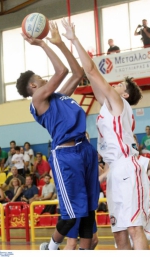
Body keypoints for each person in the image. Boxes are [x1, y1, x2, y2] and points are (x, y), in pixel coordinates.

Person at [62, 19, 150, 250]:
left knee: (133, 228)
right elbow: (91, 77)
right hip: (114, 170)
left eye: (121, 85)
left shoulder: (118, 102)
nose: (117, 85)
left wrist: (74, 39)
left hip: (127, 168)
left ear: (126, 95)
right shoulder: (107, 105)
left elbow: (92, 70)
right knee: (120, 234)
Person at [16, 21, 99, 250]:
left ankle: (83, 251)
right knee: (72, 213)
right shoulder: (38, 100)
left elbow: (77, 72)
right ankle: (51, 248)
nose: (45, 78)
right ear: (34, 85)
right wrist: (42, 43)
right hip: (66, 154)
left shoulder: (60, 96)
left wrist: (61, 43)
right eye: (40, 78)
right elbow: (61, 71)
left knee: (89, 208)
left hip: (85, 150)